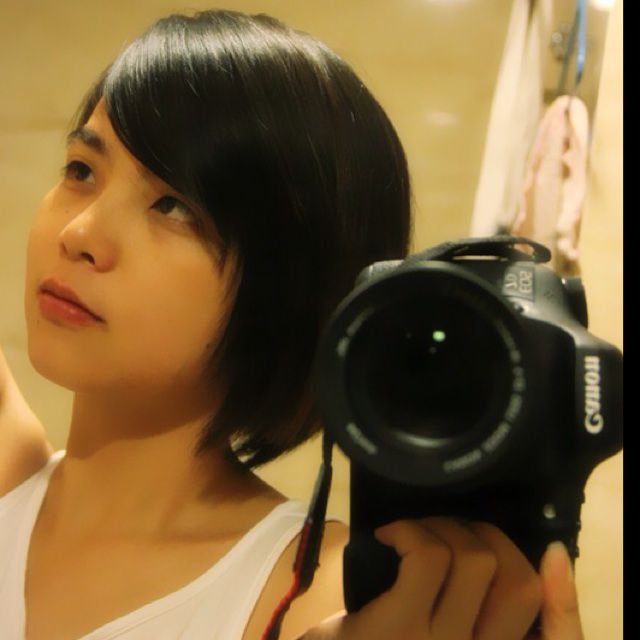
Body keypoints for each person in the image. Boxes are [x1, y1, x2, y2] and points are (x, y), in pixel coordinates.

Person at [0, 9, 584, 640]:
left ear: (291, 282)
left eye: (174, 206)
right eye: (81, 171)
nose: (79, 232)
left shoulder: (322, 594)